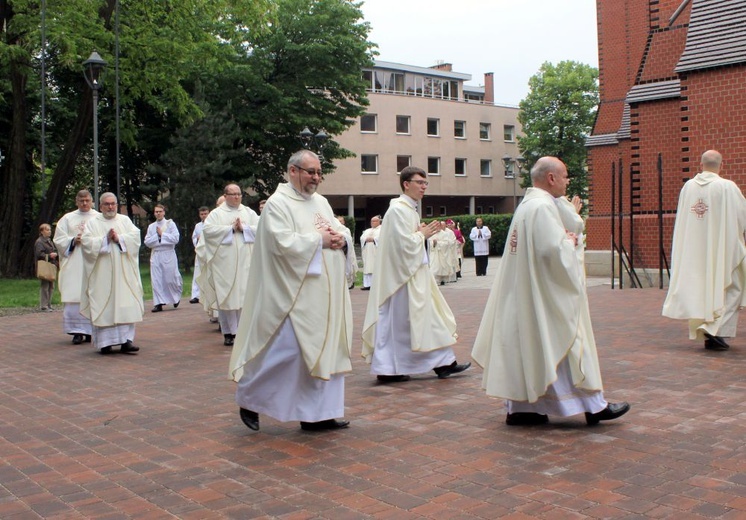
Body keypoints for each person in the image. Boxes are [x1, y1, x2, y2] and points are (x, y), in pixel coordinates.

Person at [471, 157, 629, 426]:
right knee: (564, 341)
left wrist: (569, 221)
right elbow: (552, 253)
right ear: (551, 178)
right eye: (565, 176)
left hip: (527, 294)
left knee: (532, 347)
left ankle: (524, 409)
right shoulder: (542, 207)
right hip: (545, 297)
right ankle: (593, 406)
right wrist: (573, 241)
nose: (568, 181)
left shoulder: (529, 205)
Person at [230, 150, 354, 432]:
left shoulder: (320, 202)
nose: (316, 178)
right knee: (289, 352)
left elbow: (337, 230)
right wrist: (318, 241)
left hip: (325, 293)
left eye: (319, 172)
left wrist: (340, 238)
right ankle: (250, 397)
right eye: (311, 172)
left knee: (325, 350)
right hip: (295, 293)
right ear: (293, 171)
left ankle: (318, 415)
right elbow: (280, 244)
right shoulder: (278, 204)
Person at [362, 166, 471, 383]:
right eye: (420, 182)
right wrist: (421, 234)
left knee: (423, 320)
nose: (424, 187)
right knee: (410, 323)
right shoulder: (398, 210)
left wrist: (423, 233)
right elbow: (400, 245)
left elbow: (408, 239)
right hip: (402, 279)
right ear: (406, 184)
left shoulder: (408, 209)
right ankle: (392, 369)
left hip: (413, 273)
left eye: (425, 183)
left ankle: (441, 364)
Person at [663, 150, 746, 351]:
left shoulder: (688, 187)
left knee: (701, 290)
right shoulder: (728, 187)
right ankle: (714, 330)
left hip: (694, 252)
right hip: (721, 251)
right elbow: (742, 215)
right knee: (734, 286)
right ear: (721, 165)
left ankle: (710, 332)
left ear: (700, 164)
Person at [80, 192, 144, 355]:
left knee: (125, 302)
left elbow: (135, 238)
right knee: (104, 304)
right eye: (106, 204)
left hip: (124, 274)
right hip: (102, 274)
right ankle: (105, 343)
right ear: (100, 206)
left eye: (113, 204)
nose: (110, 207)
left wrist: (119, 238)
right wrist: (104, 240)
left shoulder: (125, 221)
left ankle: (126, 341)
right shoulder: (93, 223)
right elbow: (86, 244)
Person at [198, 185, 259, 346]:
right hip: (224, 264)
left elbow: (261, 229)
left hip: (246, 263)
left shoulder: (248, 212)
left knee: (244, 296)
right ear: (225, 196)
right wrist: (230, 229)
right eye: (233, 194)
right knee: (227, 298)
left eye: (239, 194)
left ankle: (242, 331)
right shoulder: (216, 214)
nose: (237, 197)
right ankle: (228, 332)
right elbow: (209, 232)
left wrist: (244, 228)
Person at [53, 190, 99, 343]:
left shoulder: (98, 217)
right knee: (74, 295)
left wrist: (89, 241)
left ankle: (91, 331)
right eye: (81, 201)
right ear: (76, 201)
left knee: (92, 294)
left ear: (92, 201)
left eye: (87, 200)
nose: (84, 203)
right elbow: (59, 239)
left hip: (92, 261)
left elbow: (103, 238)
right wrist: (73, 240)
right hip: (74, 261)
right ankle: (77, 332)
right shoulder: (67, 218)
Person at [144, 204, 183, 312]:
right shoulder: (151, 227)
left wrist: (163, 235)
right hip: (156, 254)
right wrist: (157, 237)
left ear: (164, 212)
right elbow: (147, 242)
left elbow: (175, 239)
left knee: (170, 278)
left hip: (168, 253)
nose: (158, 213)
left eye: (160, 211)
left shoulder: (170, 224)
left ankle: (175, 297)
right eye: (156, 211)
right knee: (157, 279)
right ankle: (158, 303)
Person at [34, 223, 58, 312]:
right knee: (45, 285)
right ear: (42, 231)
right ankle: (44, 305)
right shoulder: (39, 242)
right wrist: (49, 255)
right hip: (44, 266)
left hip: (51, 265)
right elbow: (39, 254)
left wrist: (55, 254)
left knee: (51, 286)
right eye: (47, 230)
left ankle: (49, 304)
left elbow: (54, 249)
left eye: (50, 230)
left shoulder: (49, 241)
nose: (49, 231)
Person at [189, 206, 210, 304]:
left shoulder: (212, 224)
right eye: (202, 214)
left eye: (205, 214)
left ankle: (207, 293)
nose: (204, 216)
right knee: (197, 273)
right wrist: (197, 239)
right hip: (200, 252)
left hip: (209, 251)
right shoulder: (198, 226)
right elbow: (194, 237)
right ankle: (196, 295)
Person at [429, 221, 457, 285]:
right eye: (435, 226)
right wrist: (433, 243)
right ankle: (435, 280)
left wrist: (438, 243)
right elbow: (429, 243)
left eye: (438, 225)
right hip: (434, 253)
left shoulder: (445, 234)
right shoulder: (432, 234)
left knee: (442, 267)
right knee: (434, 267)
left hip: (442, 253)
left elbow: (447, 243)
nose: (437, 227)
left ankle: (442, 279)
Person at [359, 215, 382, 290]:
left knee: (375, 267)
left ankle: (376, 285)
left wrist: (374, 239)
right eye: (372, 221)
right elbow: (362, 238)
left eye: (375, 221)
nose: (373, 222)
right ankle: (367, 285)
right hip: (367, 251)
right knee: (367, 267)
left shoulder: (382, 229)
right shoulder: (367, 230)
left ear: (379, 222)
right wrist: (365, 239)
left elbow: (382, 238)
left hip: (376, 251)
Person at [337, 215, 358, 289]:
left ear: (344, 222)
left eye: (341, 221)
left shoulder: (346, 230)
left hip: (346, 252)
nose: (339, 222)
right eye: (338, 221)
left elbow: (349, 241)